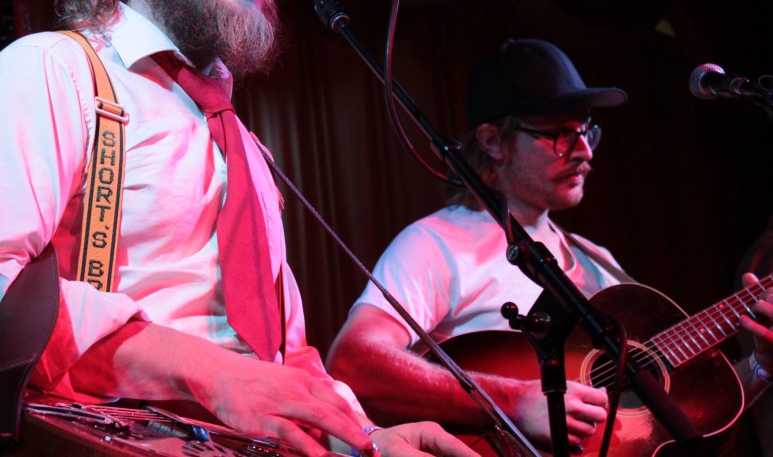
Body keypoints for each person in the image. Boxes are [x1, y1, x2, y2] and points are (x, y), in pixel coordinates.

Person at [0, 0, 474, 457]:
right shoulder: (56, 71)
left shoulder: (244, 145)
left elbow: (281, 350)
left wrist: (365, 437)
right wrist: (212, 373)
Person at [326, 38, 773, 453]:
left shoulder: (601, 265)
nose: (585, 151)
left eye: (587, 132)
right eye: (561, 134)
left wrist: (761, 367)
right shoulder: (438, 242)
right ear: (492, 141)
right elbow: (354, 361)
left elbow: (683, 425)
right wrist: (515, 401)